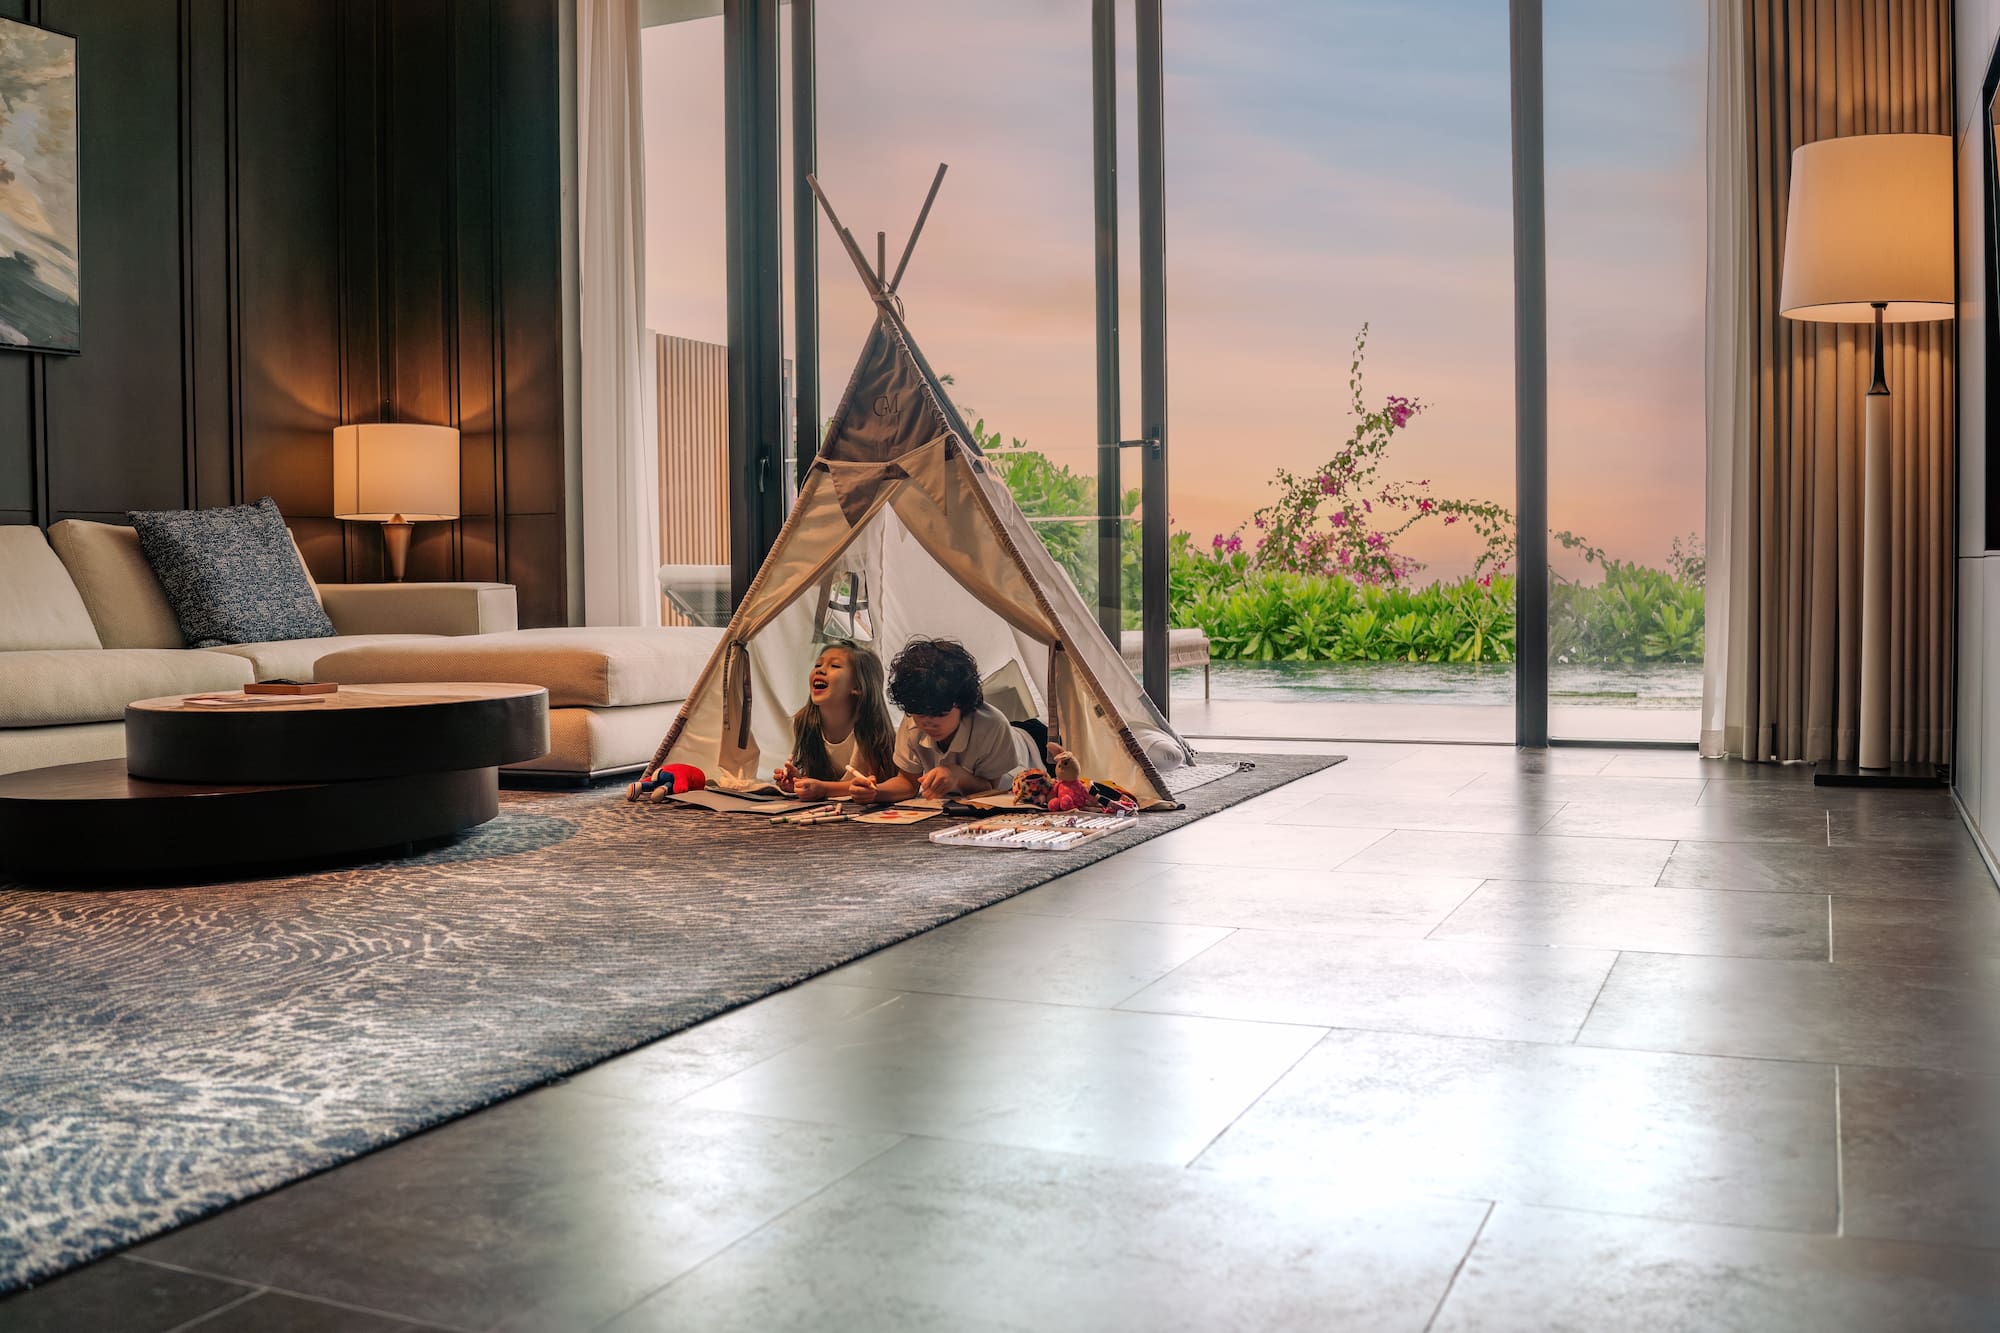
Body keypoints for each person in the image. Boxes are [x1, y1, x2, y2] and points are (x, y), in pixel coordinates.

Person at [852, 637, 1041, 804]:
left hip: (1030, 743)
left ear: (963, 704)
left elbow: (991, 789)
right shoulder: (912, 723)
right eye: (919, 713)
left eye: (939, 713)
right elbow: (907, 782)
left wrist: (956, 775)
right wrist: (875, 792)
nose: (928, 722)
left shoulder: (991, 726)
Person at [772, 642, 897, 802]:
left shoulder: (871, 728)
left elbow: (873, 784)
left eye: (835, 666)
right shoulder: (805, 722)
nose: (820, 669)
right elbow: (819, 777)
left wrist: (823, 789)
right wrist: (799, 782)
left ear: (858, 686)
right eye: (818, 664)